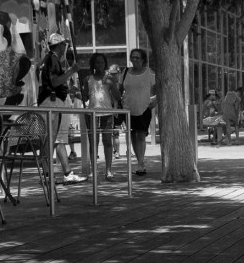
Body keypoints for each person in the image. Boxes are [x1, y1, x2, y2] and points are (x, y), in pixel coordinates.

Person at [37, 34, 84, 184]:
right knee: (55, 139)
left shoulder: (49, 59)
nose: (66, 47)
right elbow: (55, 81)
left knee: (55, 139)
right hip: (52, 102)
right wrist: (71, 71)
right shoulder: (52, 59)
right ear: (59, 45)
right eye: (64, 44)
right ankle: (58, 174)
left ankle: (53, 173)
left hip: (53, 101)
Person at [117, 47, 157, 175]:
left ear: (143, 59)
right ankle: (139, 162)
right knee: (133, 135)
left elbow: (159, 88)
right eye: (132, 57)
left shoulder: (149, 73)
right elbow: (119, 89)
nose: (134, 60)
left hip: (144, 108)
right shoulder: (125, 72)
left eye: (137, 57)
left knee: (141, 135)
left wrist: (155, 101)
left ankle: (141, 163)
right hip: (128, 109)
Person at [81, 52, 121, 180]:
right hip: (92, 114)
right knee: (94, 142)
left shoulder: (109, 78)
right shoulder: (88, 79)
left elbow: (117, 96)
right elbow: (85, 96)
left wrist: (111, 84)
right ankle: (94, 170)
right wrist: (80, 92)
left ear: (105, 64)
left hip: (107, 113)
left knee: (107, 141)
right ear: (93, 64)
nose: (100, 64)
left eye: (102, 62)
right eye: (97, 62)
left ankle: (108, 171)